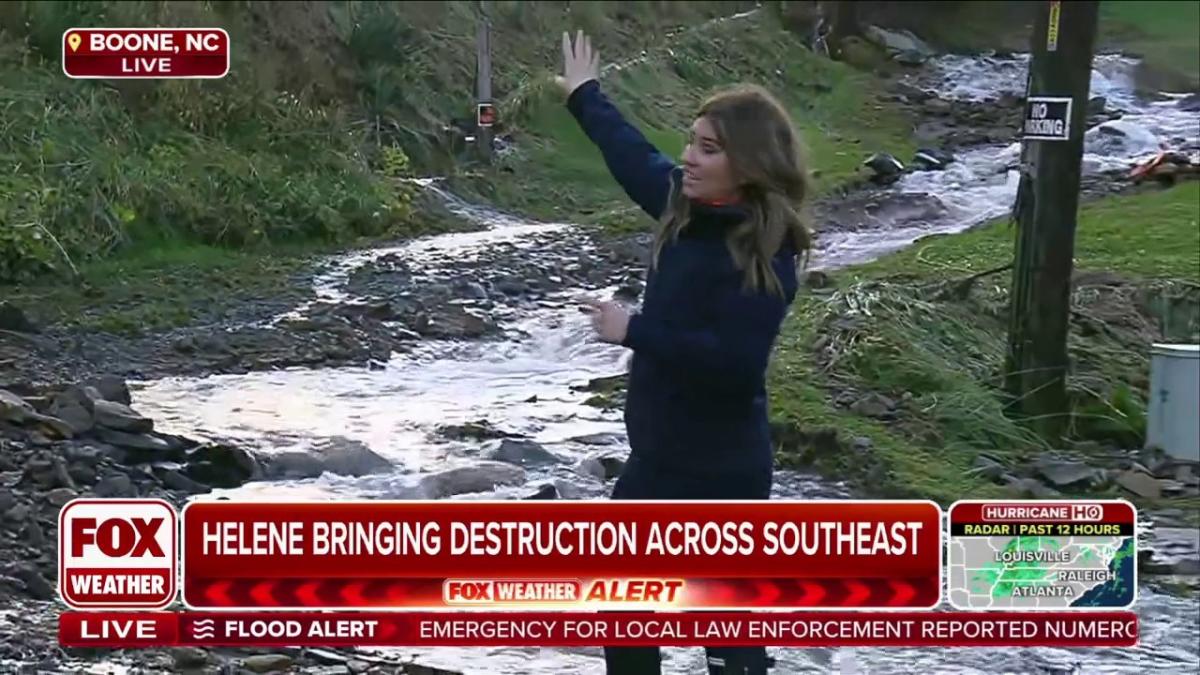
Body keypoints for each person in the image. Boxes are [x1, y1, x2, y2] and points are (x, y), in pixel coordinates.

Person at [557, 30, 813, 675]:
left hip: (721, 476)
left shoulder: (766, 254)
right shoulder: (685, 205)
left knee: (725, 636)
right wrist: (586, 96)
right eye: (691, 144)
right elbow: (631, 155)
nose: (689, 159)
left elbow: (733, 364)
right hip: (657, 462)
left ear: (748, 164)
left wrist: (634, 331)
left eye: (708, 149)